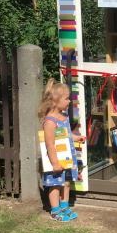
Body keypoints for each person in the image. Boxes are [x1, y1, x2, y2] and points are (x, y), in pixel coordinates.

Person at [39, 79, 83, 222]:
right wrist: (55, 163)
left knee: (66, 182)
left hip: (67, 158)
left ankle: (65, 207)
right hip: (57, 159)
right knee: (55, 184)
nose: (69, 101)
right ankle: (55, 210)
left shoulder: (64, 117)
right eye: (66, 98)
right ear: (56, 100)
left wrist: (75, 138)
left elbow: (64, 135)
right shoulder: (50, 121)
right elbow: (50, 144)